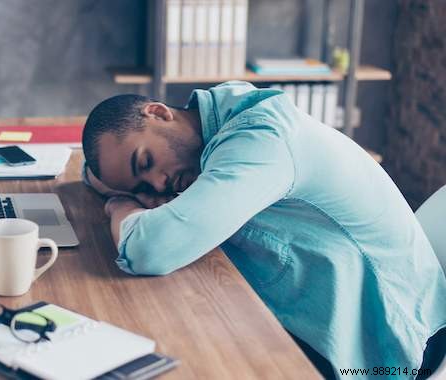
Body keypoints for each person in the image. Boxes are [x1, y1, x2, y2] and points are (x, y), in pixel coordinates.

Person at [81, 81, 446, 379]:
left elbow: (152, 249)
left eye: (146, 162)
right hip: (331, 314)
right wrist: (127, 190)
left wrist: (122, 205)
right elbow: (93, 173)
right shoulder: (217, 122)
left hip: (392, 347)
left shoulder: (259, 139)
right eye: (142, 187)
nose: (159, 185)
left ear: (158, 112)